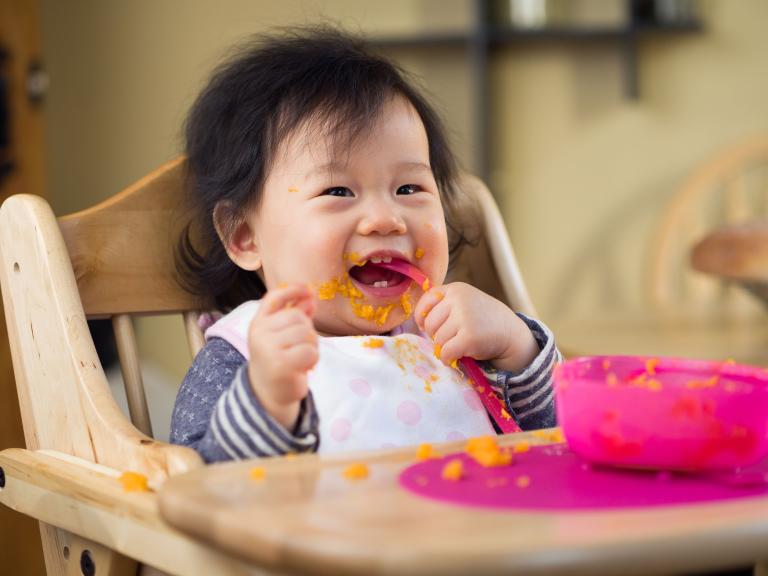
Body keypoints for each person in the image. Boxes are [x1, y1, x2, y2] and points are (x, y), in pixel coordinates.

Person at [170, 27, 560, 463]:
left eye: (410, 188)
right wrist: (268, 403)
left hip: (489, 527)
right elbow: (200, 486)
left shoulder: (453, 341)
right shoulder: (243, 354)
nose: (385, 219)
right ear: (244, 236)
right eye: (338, 192)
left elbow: (556, 443)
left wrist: (515, 348)